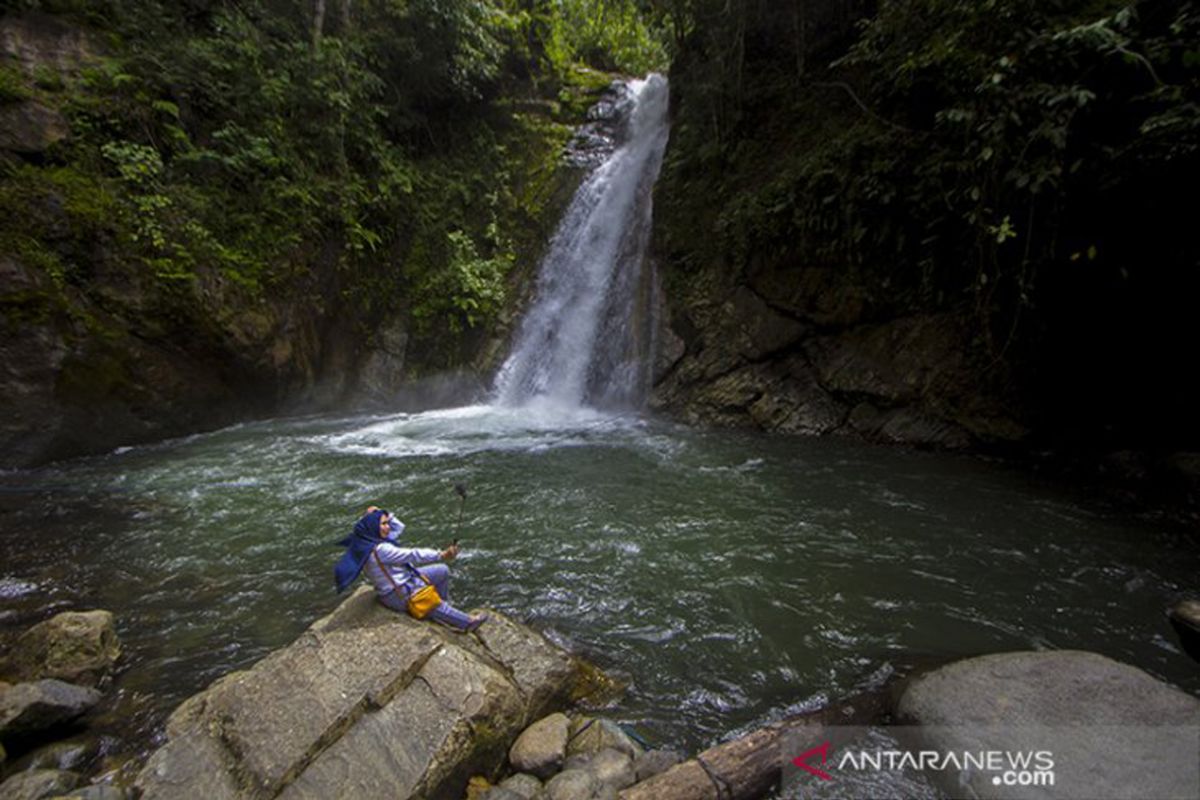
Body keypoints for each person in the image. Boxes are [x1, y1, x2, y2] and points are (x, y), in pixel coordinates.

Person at [333, 505, 487, 632]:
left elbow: (399, 527)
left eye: (387, 522)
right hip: (396, 594)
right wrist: (441, 554)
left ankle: (442, 609)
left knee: (442, 571)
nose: (388, 527)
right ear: (373, 527)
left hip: (406, 581)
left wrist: (382, 513)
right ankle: (467, 622)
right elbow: (413, 555)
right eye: (384, 524)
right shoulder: (380, 550)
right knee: (429, 602)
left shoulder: (367, 541)